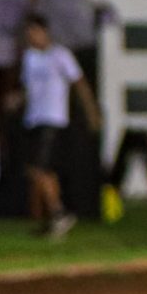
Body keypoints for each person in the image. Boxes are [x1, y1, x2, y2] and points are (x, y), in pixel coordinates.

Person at [14, 14, 97, 241]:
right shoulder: (30, 57)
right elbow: (28, 88)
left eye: (33, 32)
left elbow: (79, 83)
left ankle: (59, 212)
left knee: (38, 168)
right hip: (33, 119)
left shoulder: (60, 55)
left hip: (52, 118)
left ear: (44, 31)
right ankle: (54, 216)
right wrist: (17, 100)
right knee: (43, 170)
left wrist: (91, 112)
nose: (30, 37)